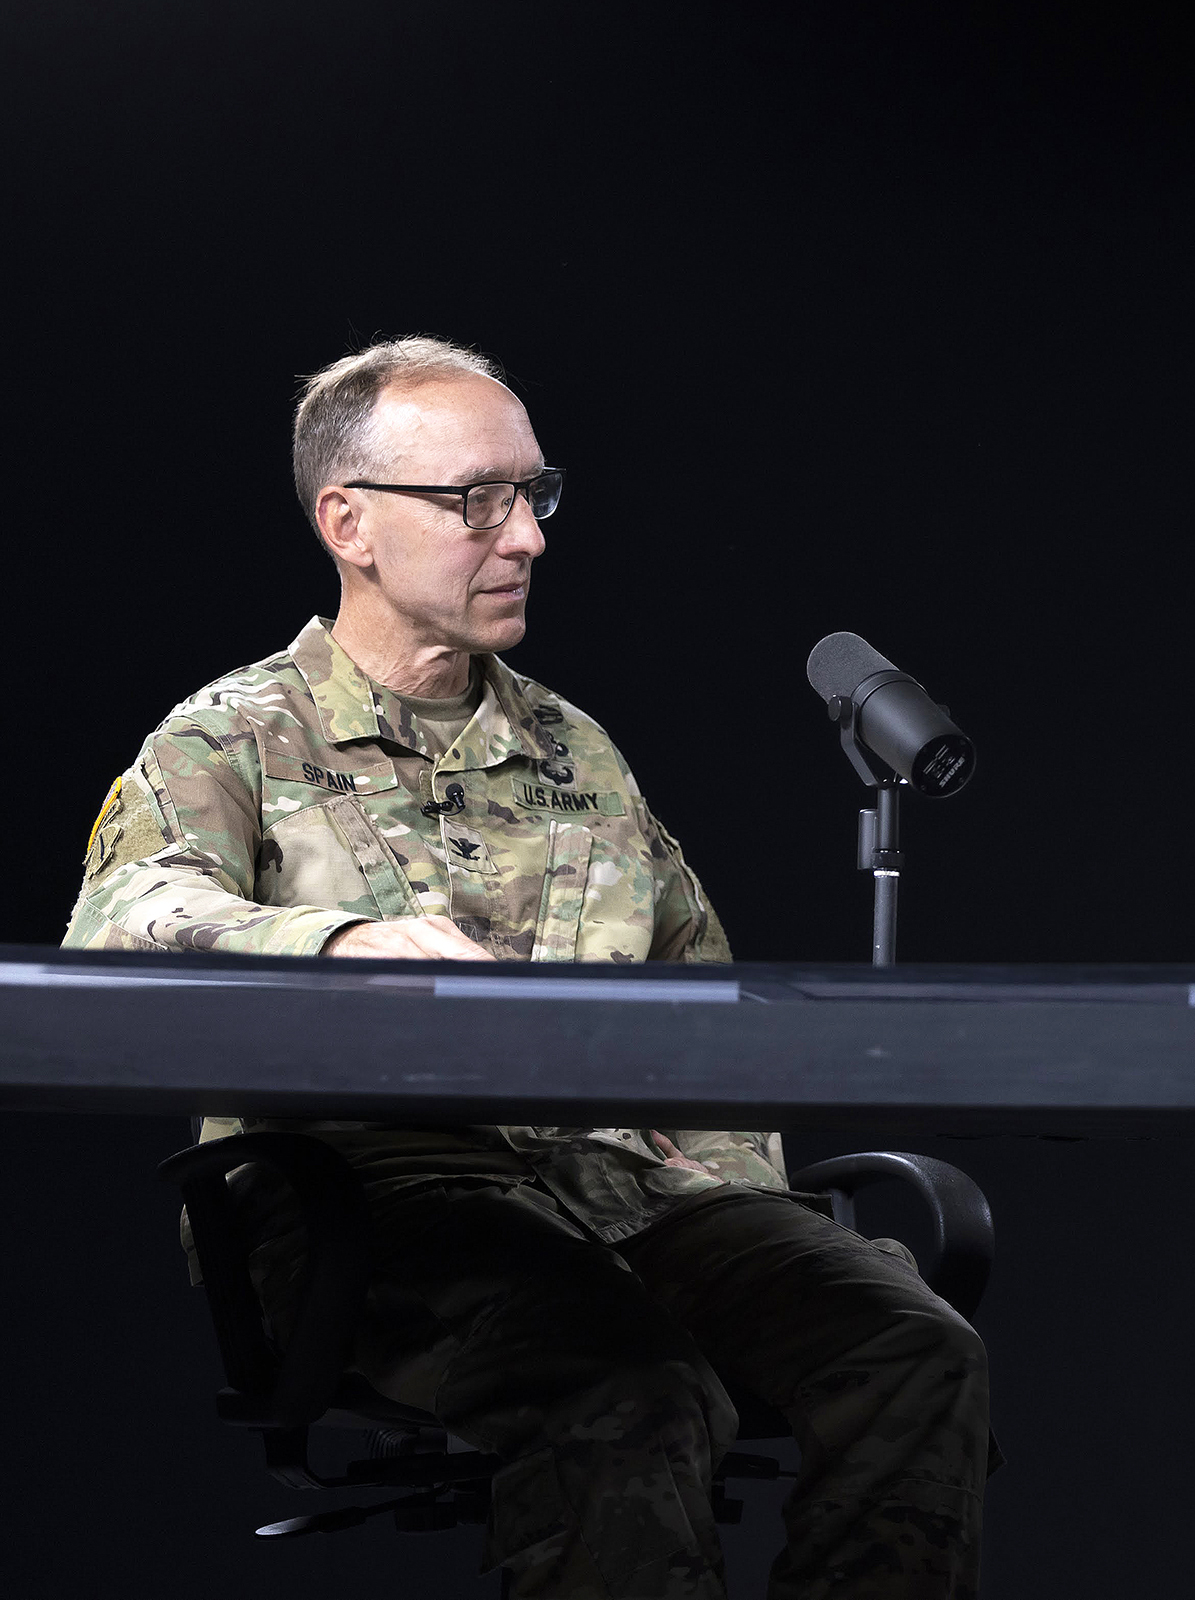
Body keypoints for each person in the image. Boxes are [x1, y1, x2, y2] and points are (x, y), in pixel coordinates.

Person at [67, 338, 988, 1600]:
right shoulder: (236, 735)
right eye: (475, 500)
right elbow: (121, 918)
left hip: (623, 1189)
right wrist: (334, 942)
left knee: (912, 1347)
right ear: (351, 523)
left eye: (533, 495)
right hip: (382, 1204)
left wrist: (732, 1196)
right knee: (629, 1390)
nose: (527, 538)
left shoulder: (574, 748)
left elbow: (692, 973)